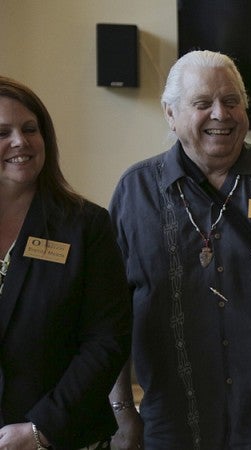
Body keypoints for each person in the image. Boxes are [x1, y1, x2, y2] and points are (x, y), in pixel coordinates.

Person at [108, 50, 251, 449]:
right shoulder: (135, 192)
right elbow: (107, 313)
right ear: (170, 114)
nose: (221, 114)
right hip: (173, 422)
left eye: (232, 101)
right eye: (203, 103)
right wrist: (122, 411)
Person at [0, 76, 131, 449]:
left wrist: (42, 428)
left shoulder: (85, 224)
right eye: (2, 132)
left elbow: (106, 340)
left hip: (65, 436)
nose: (20, 142)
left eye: (30, 129)